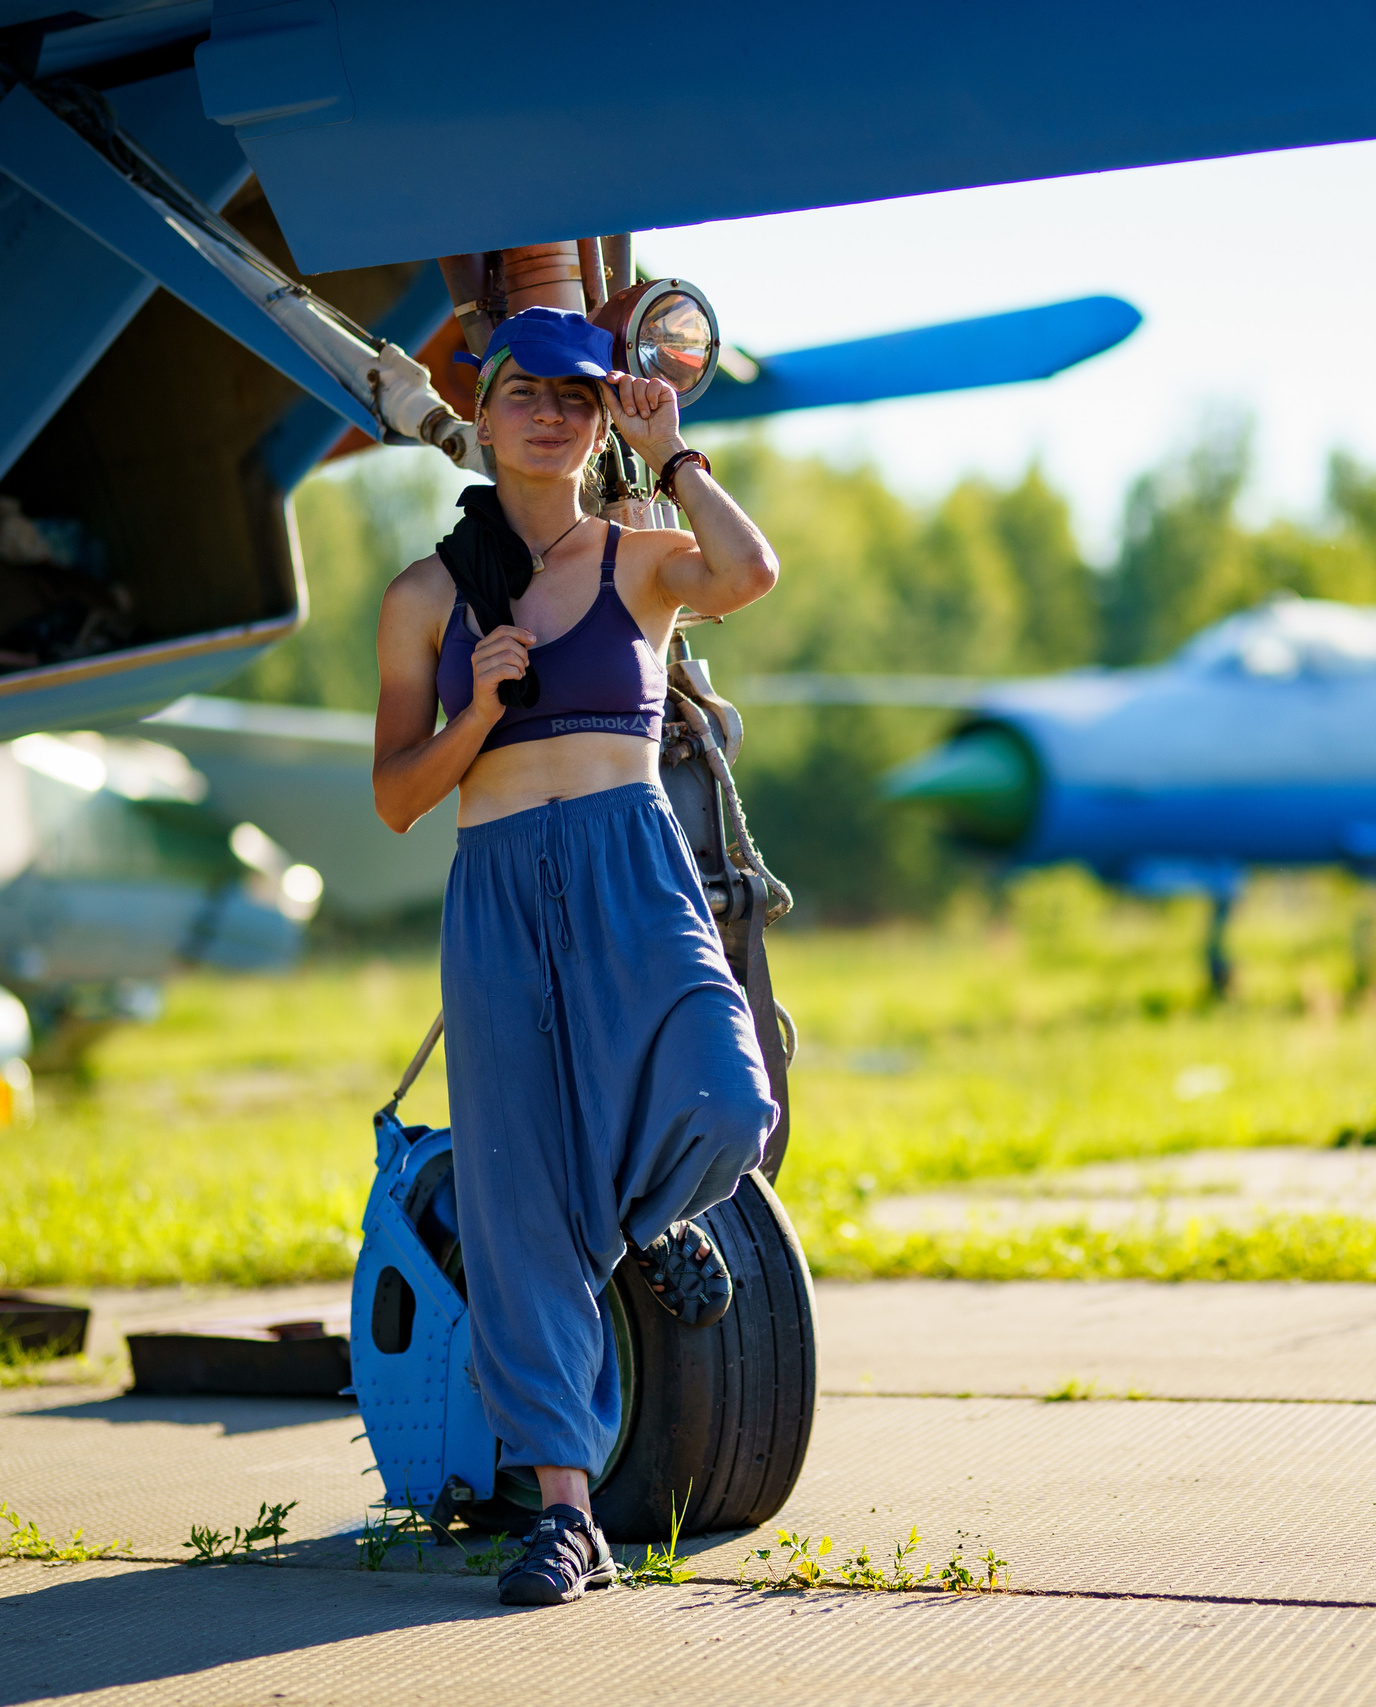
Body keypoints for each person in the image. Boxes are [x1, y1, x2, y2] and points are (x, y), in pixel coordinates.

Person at [371, 306, 782, 1607]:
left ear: (602, 422)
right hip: (496, 883)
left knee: (729, 1101)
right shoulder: (425, 598)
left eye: (580, 400)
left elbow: (752, 573)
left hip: (629, 858)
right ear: (482, 415)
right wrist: (478, 707)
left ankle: (641, 1227)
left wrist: (680, 454)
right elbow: (394, 796)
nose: (554, 416)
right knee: (511, 1188)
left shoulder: (642, 560)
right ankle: (565, 1512)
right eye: (529, 395)